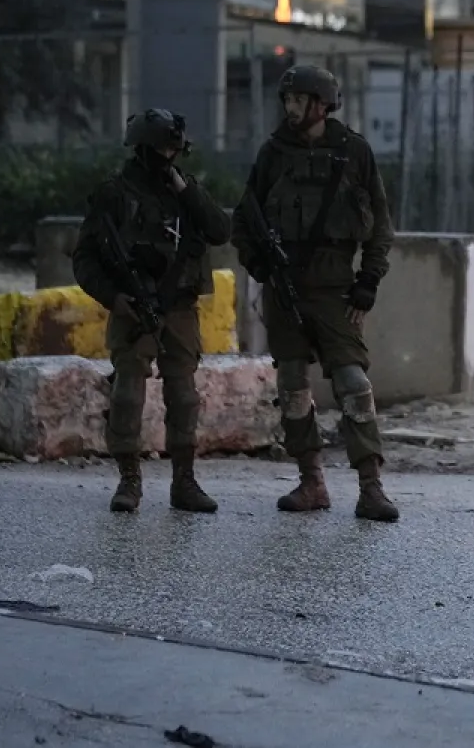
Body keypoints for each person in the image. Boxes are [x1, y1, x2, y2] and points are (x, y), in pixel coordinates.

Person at [231, 64, 399, 522]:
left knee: (352, 383)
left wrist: (368, 282)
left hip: (335, 288)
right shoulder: (273, 154)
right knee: (291, 386)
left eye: (299, 100)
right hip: (284, 289)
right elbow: (244, 219)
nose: (290, 108)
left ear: (322, 105)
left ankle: (371, 486)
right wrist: (259, 263)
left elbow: (380, 227)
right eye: (286, 100)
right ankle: (311, 481)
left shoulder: (353, 153)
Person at [72, 108, 233, 514]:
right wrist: (114, 297)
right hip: (133, 307)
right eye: (162, 148)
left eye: (174, 149)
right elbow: (85, 260)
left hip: (178, 306)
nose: (169, 156)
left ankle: (185, 481)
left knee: (184, 394)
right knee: (127, 393)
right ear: (142, 148)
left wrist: (185, 191)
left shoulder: (184, 191)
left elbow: (219, 229)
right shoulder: (114, 194)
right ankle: (129, 480)